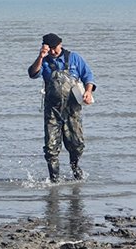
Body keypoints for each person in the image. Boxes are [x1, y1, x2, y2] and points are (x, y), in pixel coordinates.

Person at [28, 33, 96, 183]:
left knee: (77, 145)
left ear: (60, 44)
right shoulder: (44, 61)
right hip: (52, 110)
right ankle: (54, 180)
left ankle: (75, 168)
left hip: (72, 109)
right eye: (49, 48)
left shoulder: (74, 58)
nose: (53, 51)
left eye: (54, 48)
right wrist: (40, 56)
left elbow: (88, 76)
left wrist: (88, 92)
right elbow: (32, 74)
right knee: (51, 148)